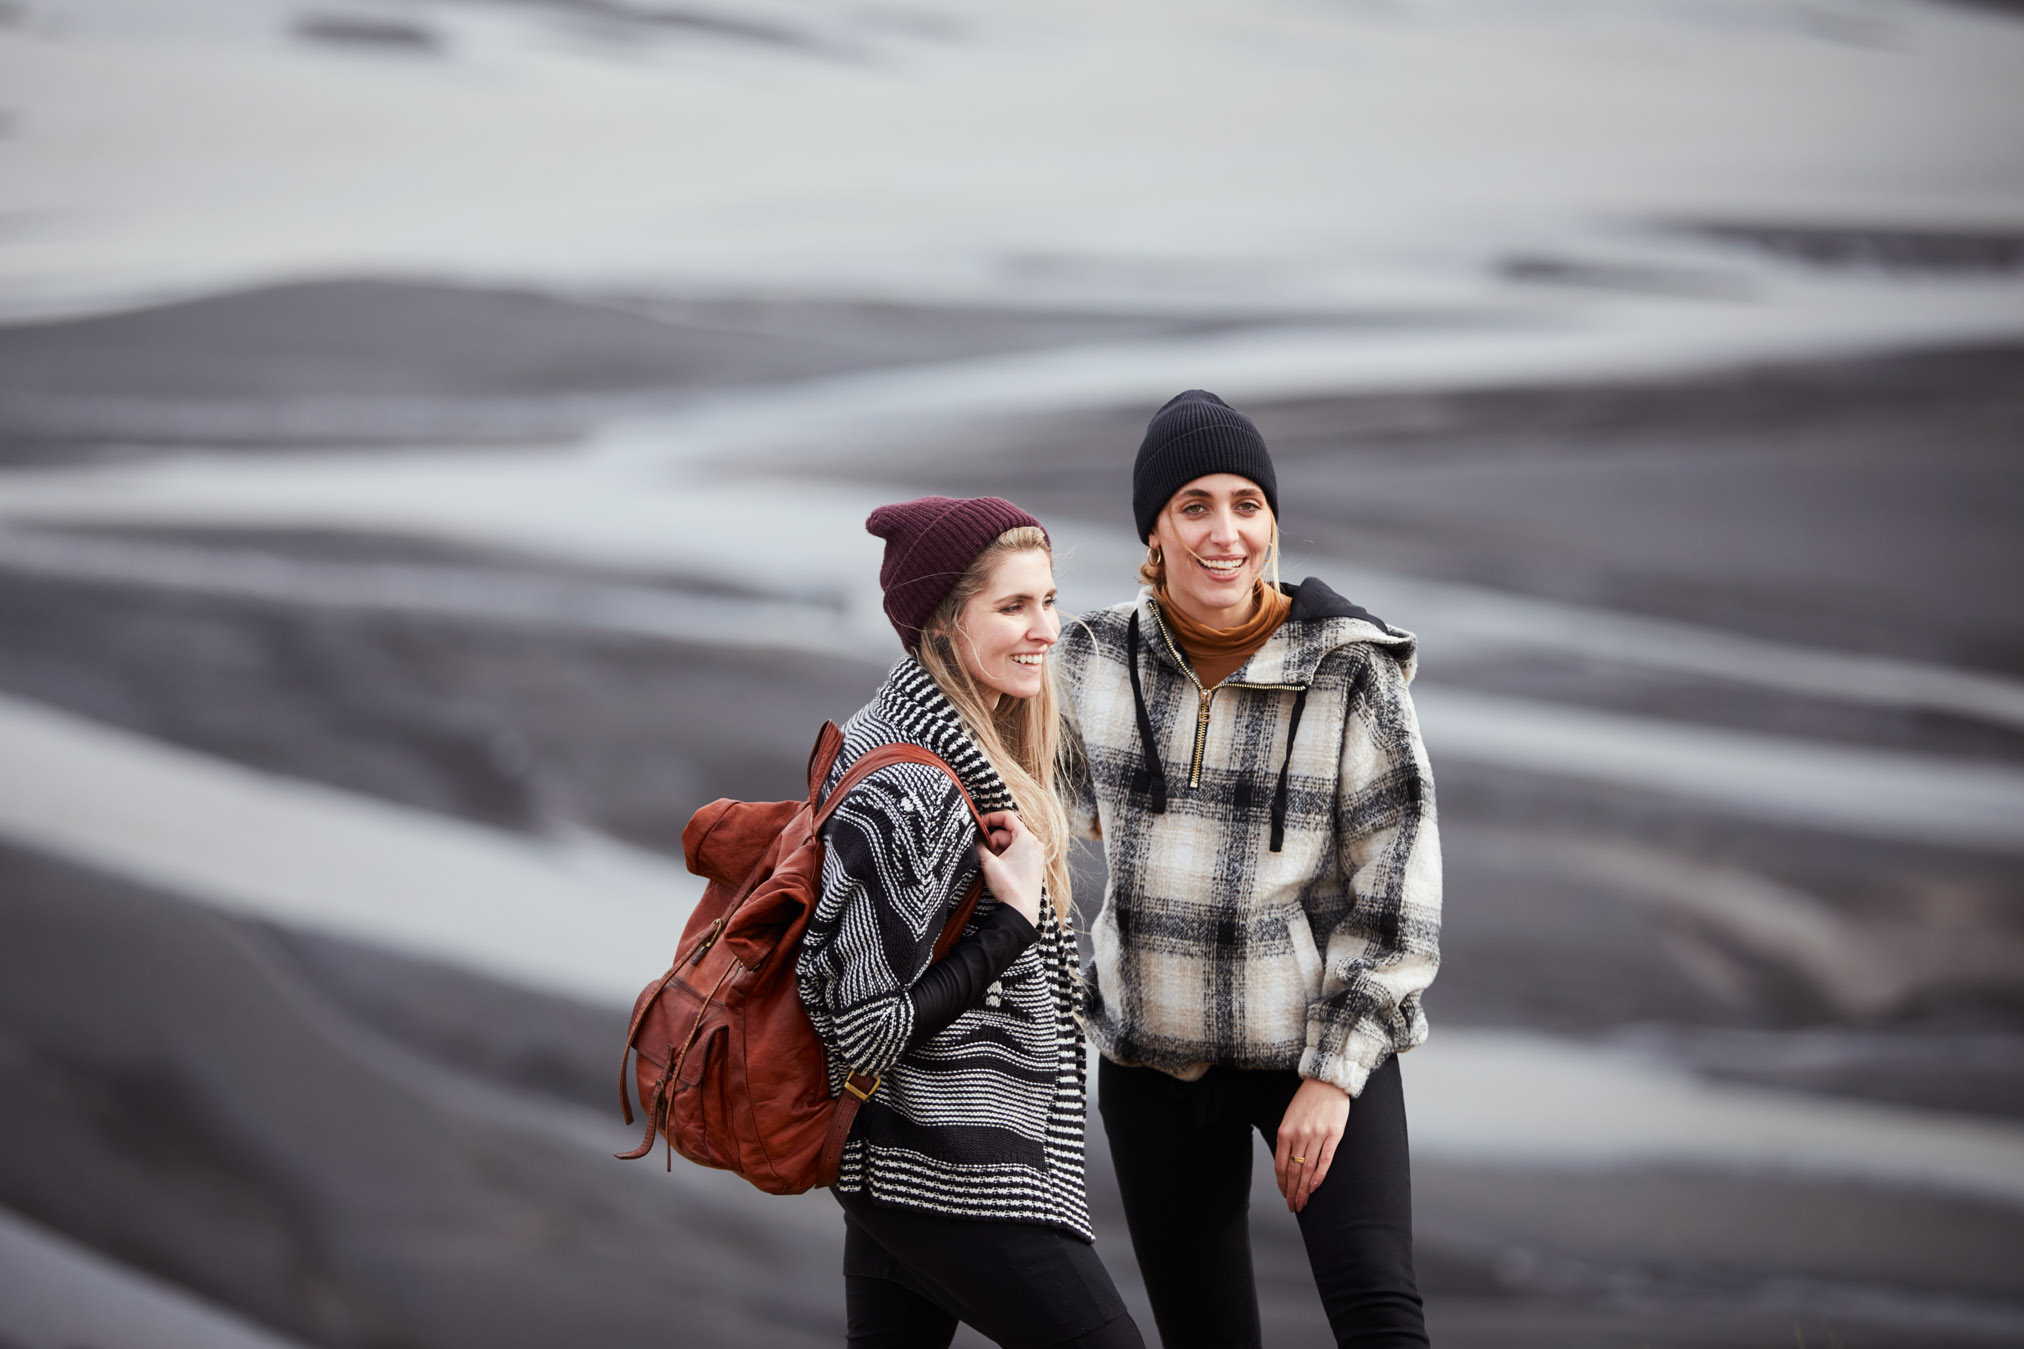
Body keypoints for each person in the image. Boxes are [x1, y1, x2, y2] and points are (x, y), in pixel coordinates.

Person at [1054, 391, 1441, 1348]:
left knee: (1381, 1317)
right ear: (1154, 527)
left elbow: (1397, 895)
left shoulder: (1350, 672)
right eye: (1194, 505)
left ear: (1272, 520)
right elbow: (1028, 819)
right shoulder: (1092, 659)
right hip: (1152, 1064)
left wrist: (1334, 1074)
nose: (1224, 532)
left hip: (1309, 1048)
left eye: (1246, 503)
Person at [796, 496, 1145, 1349]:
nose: (1047, 628)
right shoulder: (911, 786)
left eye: (1050, 600)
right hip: (950, 1169)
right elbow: (860, 1030)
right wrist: (1013, 922)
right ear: (946, 622)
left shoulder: (958, 739)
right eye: (1014, 605)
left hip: (916, 1159)